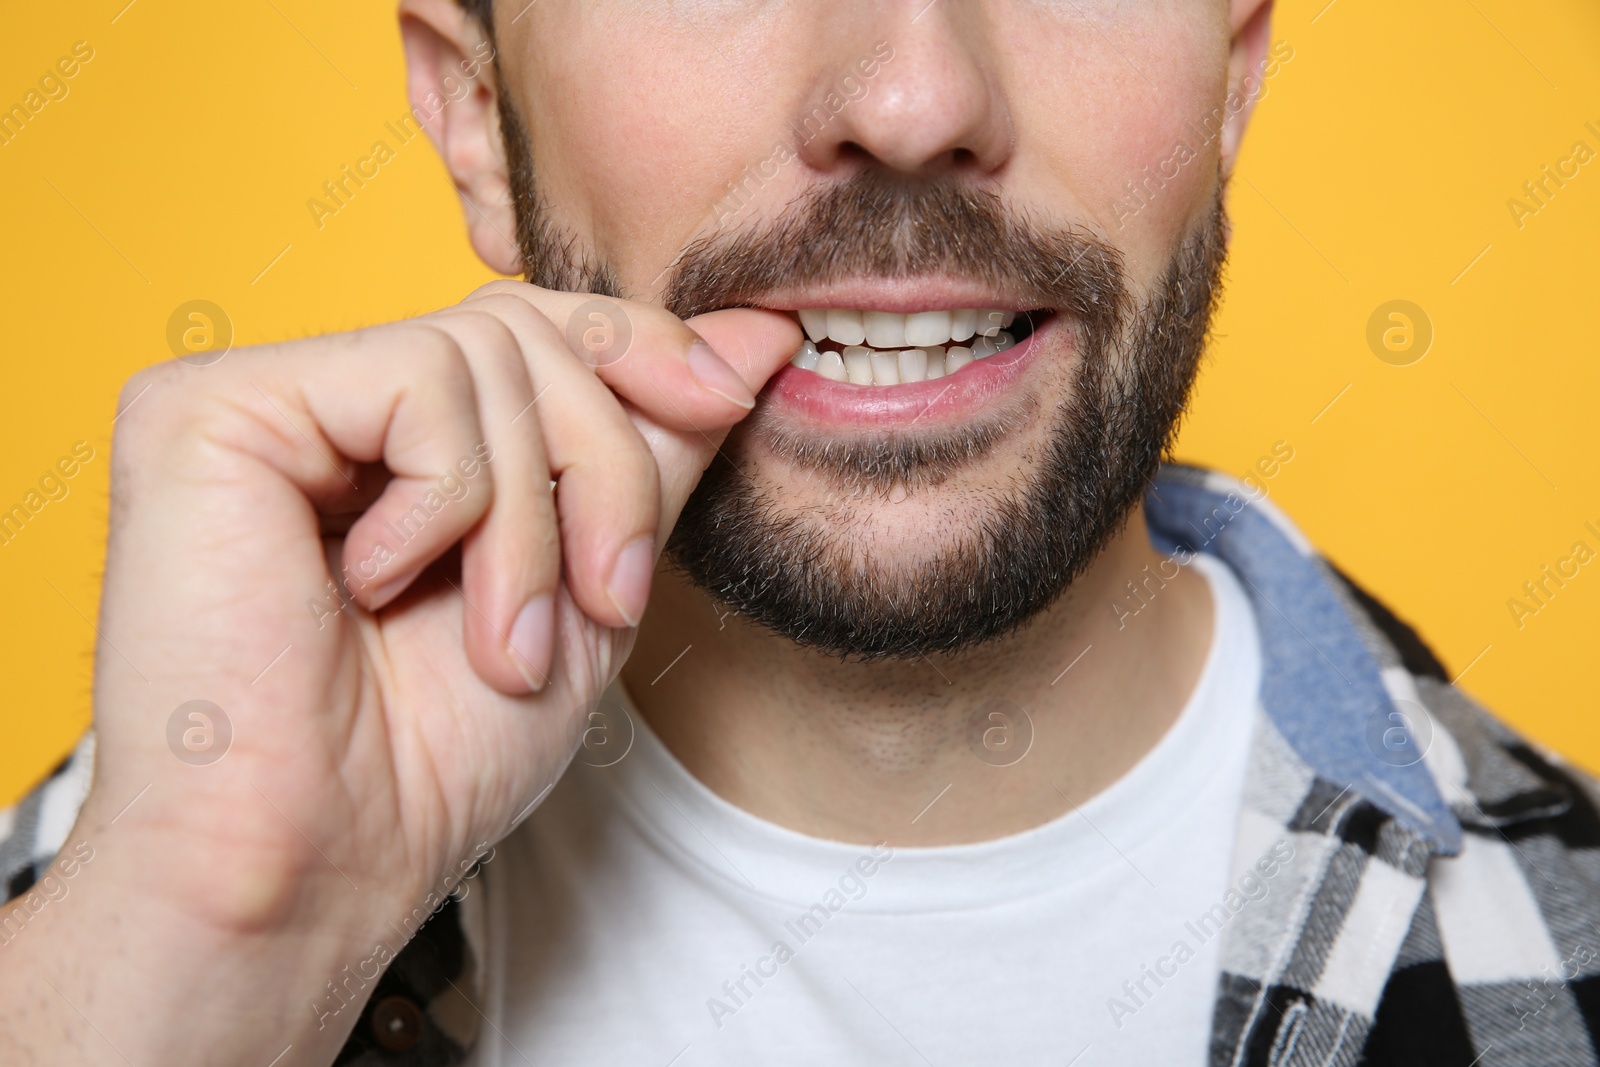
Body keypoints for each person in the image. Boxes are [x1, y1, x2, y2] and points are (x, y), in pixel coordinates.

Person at [3, 1, 1596, 1064]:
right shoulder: (97, 940)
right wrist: (187, 968)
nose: (912, 100)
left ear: (1231, 76)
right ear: (482, 116)